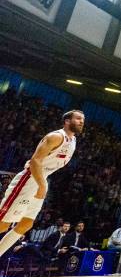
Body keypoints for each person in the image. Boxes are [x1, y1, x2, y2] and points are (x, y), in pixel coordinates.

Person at [0, 111, 83, 268]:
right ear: (66, 121)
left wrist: (42, 184)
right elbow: (35, 161)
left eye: (82, 120)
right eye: (78, 118)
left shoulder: (73, 140)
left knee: (25, 224)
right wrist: (42, 184)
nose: (81, 122)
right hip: (29, 180)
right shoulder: (56, 137)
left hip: (40, 181)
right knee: (3, 224)